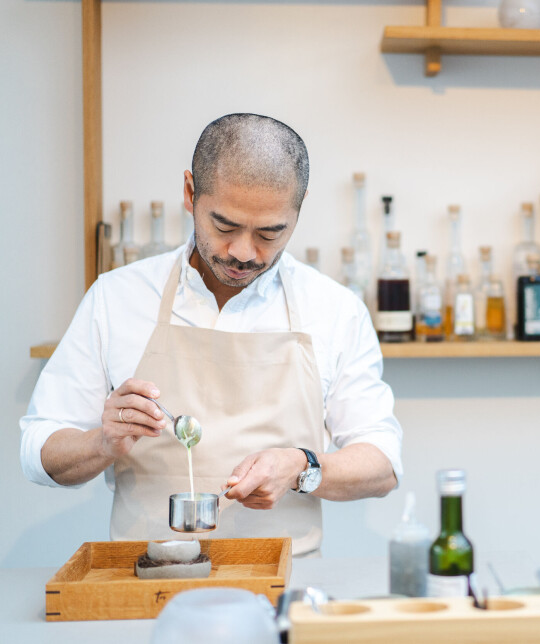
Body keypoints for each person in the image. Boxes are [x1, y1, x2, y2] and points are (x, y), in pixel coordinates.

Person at [20, 113, 402, 556]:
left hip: (285, 583)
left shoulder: (335, 309)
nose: (243, 252)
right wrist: (102, 443)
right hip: (145, 580)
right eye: (224, 227)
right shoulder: (117, 297)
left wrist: (302, 467)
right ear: (190, 193)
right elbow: (37, 450)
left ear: (298, 210)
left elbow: (383, 463)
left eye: (269, 233)